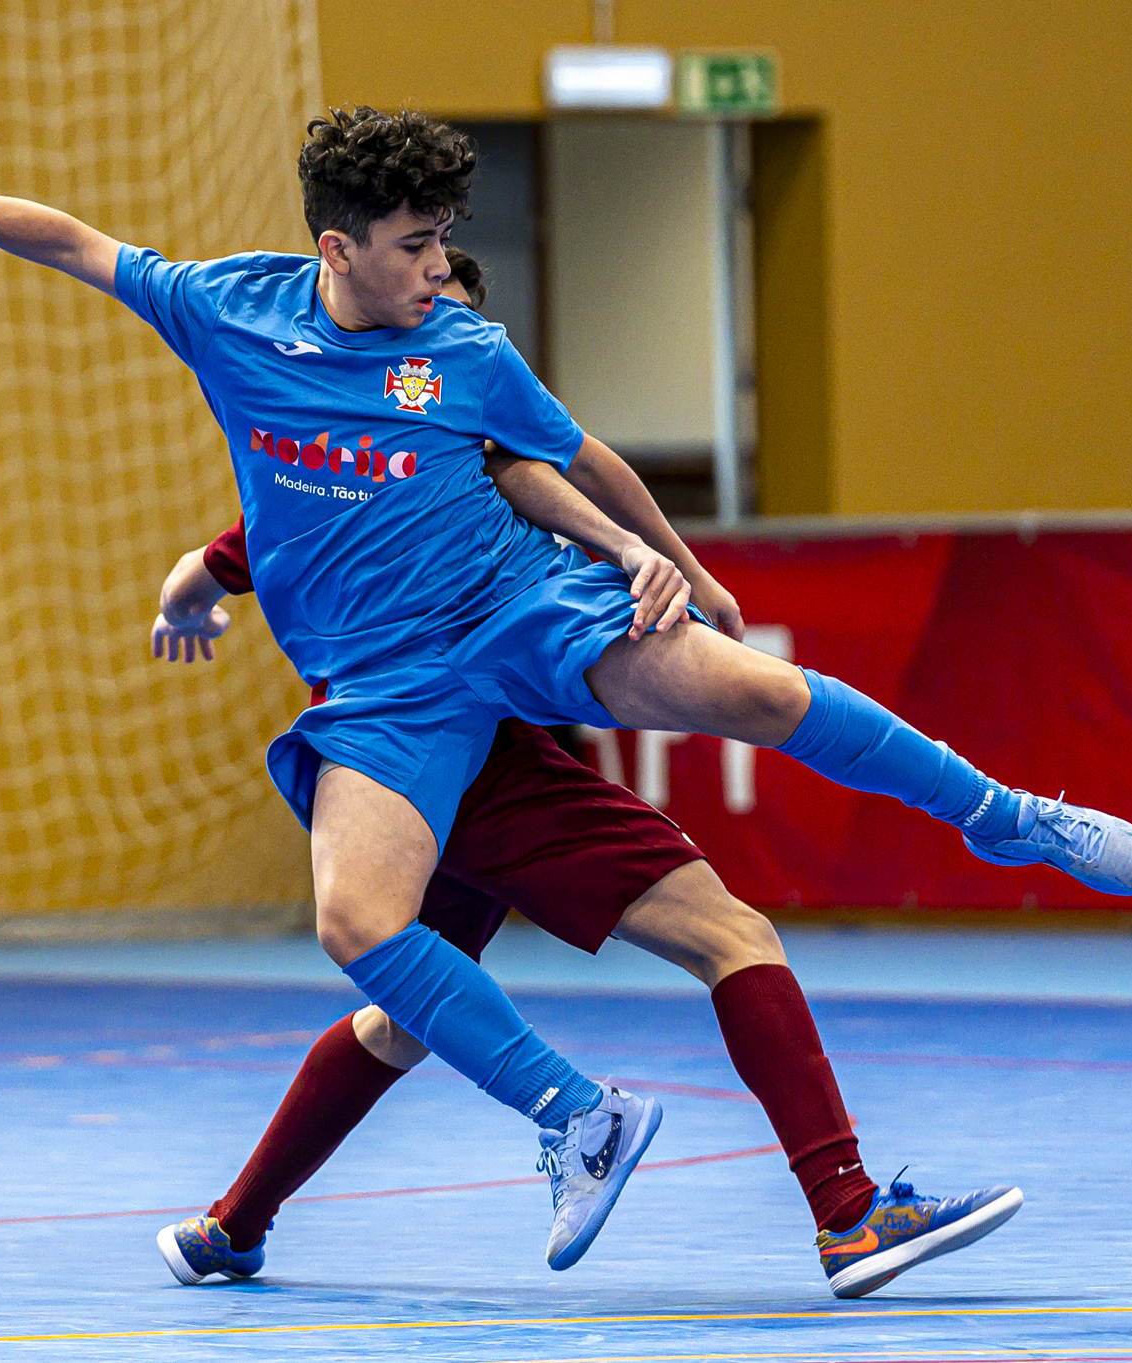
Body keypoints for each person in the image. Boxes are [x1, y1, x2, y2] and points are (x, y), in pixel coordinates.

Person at [0, 107, 1132, 1275]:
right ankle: (539, 1128)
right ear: (337, 246)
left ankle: (1004, 817)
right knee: (361, 928)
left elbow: (568, 458)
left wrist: (674, 563)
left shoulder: (462, 347)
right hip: (393, 690)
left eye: (444, 240)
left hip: (515, 615)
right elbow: (76, 243)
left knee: (747, 688)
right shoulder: (229, 311)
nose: (439, 269)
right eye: (415, 244)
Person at [143, 251, 1022, 1300]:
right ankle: (845, 1211)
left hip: (430, 768)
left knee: (403, 1016)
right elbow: (244, 551)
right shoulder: (455, 474)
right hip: (473, 774)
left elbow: (223, 555)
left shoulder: (386, 467)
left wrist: (184, 594)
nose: (432, 347)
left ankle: (235, 1224)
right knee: (729, 934)